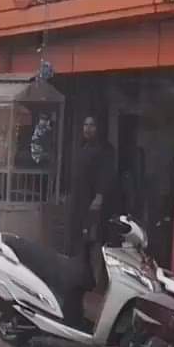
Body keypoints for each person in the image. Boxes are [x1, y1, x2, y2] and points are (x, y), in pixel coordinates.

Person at [68, 116, 118, 289]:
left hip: (95, 205)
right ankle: (83, 281)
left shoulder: (104, 149)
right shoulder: (82, 147)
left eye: (92, 125)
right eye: (85, 125)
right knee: (81, 243)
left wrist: (99, 196)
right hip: (80, 204)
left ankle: (98, 284)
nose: (88, 129)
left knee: (95, 241)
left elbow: (106, 175)